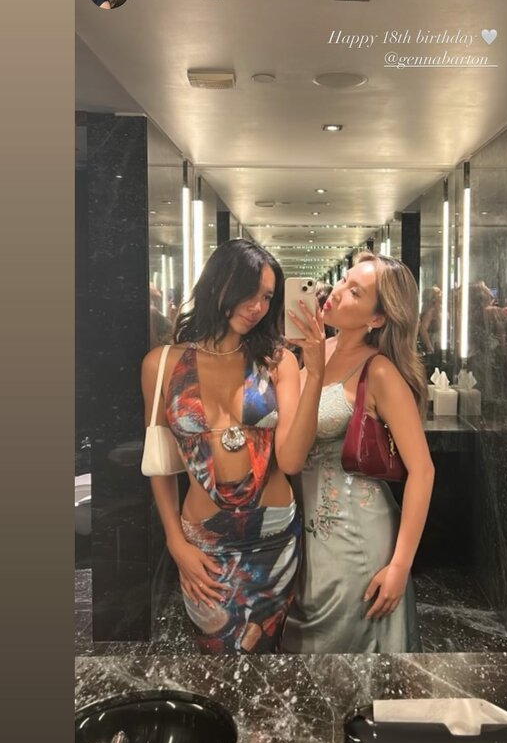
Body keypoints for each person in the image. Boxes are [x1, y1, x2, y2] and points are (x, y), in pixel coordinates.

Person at [140, 239, 325, 654]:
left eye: (268, 297)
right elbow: (159, 466)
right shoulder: (162, 364)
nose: (258, 306)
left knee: (271, 660)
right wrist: (175, 543)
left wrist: (315, 374)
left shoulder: (278, 361)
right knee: (216, 658)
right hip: (204, 544)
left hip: (274, 542)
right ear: (218, 283)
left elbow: (292, 460)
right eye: (249, 292)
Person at [281, 252, 435, 653]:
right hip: (302, 534)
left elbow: (423, 471)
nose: (336, 292)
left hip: (356, 538)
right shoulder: (316, 350)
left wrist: (400, 565)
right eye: (343, 280)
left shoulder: (380, 371)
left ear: (377, 318)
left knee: (351, 659)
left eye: (355, 292)